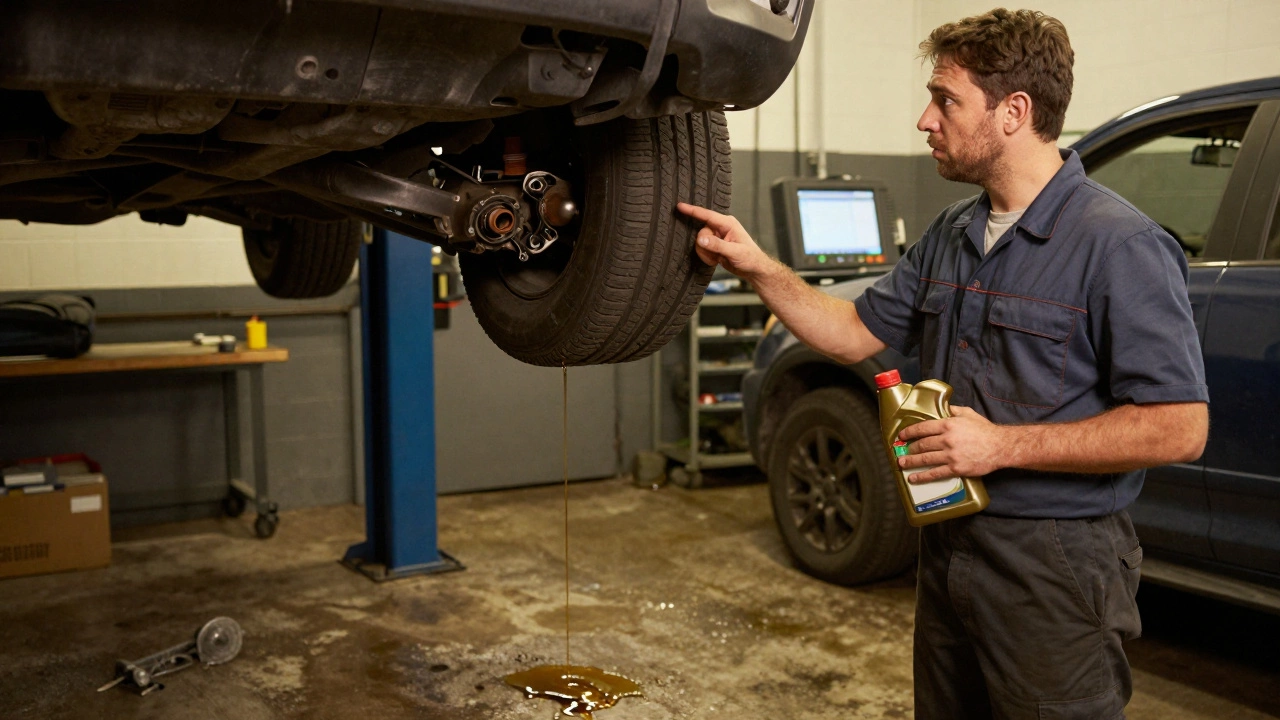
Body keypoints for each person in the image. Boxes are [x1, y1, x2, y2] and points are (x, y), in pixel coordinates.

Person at [677, 8, 1209, 720]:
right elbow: (852, 331)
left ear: (1014, 112)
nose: (925, 120)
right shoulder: (954, 234)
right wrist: (756, 266)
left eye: (946, 100)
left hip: (1053, 564)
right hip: (951, 543)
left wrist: (1000, 445)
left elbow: (1179, 427)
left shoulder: (1120, 246)